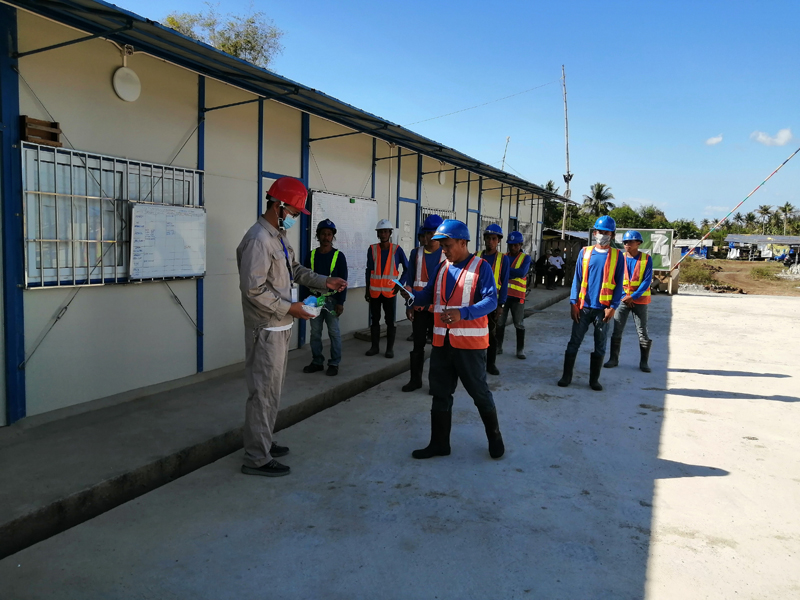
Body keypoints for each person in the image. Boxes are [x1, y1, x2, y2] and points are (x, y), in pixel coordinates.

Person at [237, 177, 347, 477]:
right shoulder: (258, 240)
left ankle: (263, 441)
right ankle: (256, 458)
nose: (295, 218)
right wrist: (290, 308)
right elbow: (253, 290)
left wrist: (325, 281)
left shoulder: (278, 237)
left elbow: (295, 270)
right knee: (263, 392)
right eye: (295, 213)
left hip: (279, 326)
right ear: (279, 206)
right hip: (266, 328)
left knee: (272, 391)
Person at [409, 219, 505, 460]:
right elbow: (427, 295)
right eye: (442, 246)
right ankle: (439, 444)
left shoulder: (480, 267)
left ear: (463, 242)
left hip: (469, 346)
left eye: (448, 245)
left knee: (479, 393)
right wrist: (409, 295)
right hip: (442, 344)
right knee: (440, 393)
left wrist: (463, 313)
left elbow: (491, 301)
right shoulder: (442, 268)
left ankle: (495, 438)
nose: (444, 250)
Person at [557, 215, 624, 392]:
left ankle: (594, 380)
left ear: (612, 235)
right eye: (600, 232)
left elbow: (619, 284)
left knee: (600, 345)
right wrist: (573, 303)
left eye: (607, 233)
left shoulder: (618, 256)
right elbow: (577, 279)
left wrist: (613, 307)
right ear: (594, 233)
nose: (603, 235)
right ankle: (566, 377)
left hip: (603, 310)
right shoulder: (585, 253)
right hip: (583, 308)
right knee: (574, 342)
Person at [402, 214, 445, 392]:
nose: (429, 237)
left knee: (438, 347)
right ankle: (415, 380)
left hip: (439, 310)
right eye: (427, 233)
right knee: (417, 346)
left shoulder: (446, 255)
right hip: (419, 308)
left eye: (433, 233)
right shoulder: (416, 253)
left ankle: (436, 384)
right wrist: (409, 306)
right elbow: (410, 280)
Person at [301, 219, 348, 377]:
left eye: (329, 234)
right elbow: (304, 279)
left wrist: (340, 302)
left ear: (332, 237)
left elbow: (343, 281)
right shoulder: (311, 255)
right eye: (323, 234)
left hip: (332, 301)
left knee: (334, 332)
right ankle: (317, 361)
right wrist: (304, 301)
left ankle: (334, 363)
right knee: (315, 332)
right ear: (318, 235)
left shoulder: (339, 256)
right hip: (314, 300)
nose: (326, 237)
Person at [604, 230, 654, 372]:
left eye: (630, 242)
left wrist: (634, 296)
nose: (627, 244)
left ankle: (644, 363)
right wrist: (624, 296)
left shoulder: (646, 259)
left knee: (642, 331)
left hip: (640, 300)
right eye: (625, 242)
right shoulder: (620, 258)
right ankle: (613, 359)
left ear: (638, 243)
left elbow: (646, 280)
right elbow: (615, 278)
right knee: (617, 330)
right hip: (622, 300)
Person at [364, 219, 409, 358]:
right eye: (381, 232)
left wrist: (399, 284)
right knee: (375, 320)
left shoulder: (397, 250)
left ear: (390, 233)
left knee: (390, 321)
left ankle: (390, 349)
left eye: (385, 231)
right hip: (374, 292)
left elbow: (408, 269)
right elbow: (369, 270)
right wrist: (367, 290)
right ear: (377, 234)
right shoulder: (372, 249)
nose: (383, 234)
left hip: (390, 292)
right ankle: (374, 347)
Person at [478, 224, 509, 375]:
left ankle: (491, 364)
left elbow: (504, 283)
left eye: (494, 239)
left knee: (491, 335)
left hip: (492, 303)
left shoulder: (503, 259)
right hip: (476, 303)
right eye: (488, 238)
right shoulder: (476, 256)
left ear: (498, 241)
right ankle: (477, 363)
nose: (490, 241)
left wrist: (501, 304)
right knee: (476, 334)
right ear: (484, 239)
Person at [497, 231, 531, 359]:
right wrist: (511, 272)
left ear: (520, 245)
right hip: (503, 296)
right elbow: (499, 271)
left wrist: (506, 271)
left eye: (515, 245)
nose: (513, 247)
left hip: (517, 297)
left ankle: (520, 350)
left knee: (519, 323)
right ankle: (498, 347)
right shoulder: (503, 257)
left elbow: (521, 272)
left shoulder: (525, 258)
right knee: (500, 323)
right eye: (511, 245)